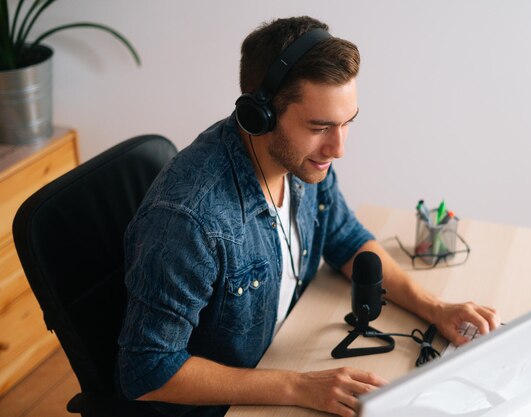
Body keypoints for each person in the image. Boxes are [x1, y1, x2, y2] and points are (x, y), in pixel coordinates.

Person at [116, 16, 500, 417]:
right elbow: (146, 371)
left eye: (347, 123)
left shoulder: (302, 165)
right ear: (258, 115)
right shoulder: (191, 220)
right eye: (320, 127)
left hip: (286, 354)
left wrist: (436, 309)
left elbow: (347, 240)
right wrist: (298, 386)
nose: (338, 148)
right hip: (227, 406)